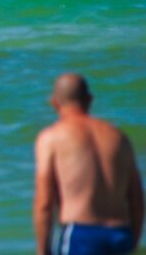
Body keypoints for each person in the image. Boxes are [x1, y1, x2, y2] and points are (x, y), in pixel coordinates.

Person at [33, 73, 143, 255]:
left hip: (81, 235)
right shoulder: (118, 137)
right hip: (120, 234)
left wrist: (42, 251)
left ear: (54, 103)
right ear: (90, 100)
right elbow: (137, 201)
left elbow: (44, 203)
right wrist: (132, 243)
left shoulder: (51, 138)